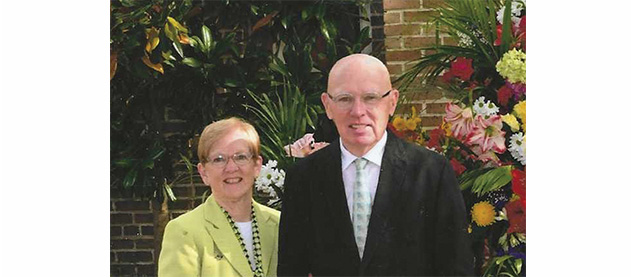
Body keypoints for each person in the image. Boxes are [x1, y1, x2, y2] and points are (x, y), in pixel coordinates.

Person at [278, 54, 473, 276]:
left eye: (370, 97)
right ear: (327, 105)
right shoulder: (303, 177)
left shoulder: (430, 172)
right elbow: (292, 269)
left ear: (392, 102)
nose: (358, 111)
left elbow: (456, 267)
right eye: (345, 99)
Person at [158, 117, 281, 277]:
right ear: (204, 173)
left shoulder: (280, 224)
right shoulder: (184, 231)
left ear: (257, 166)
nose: (231, 168)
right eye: (219, 159)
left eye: (241, 157)